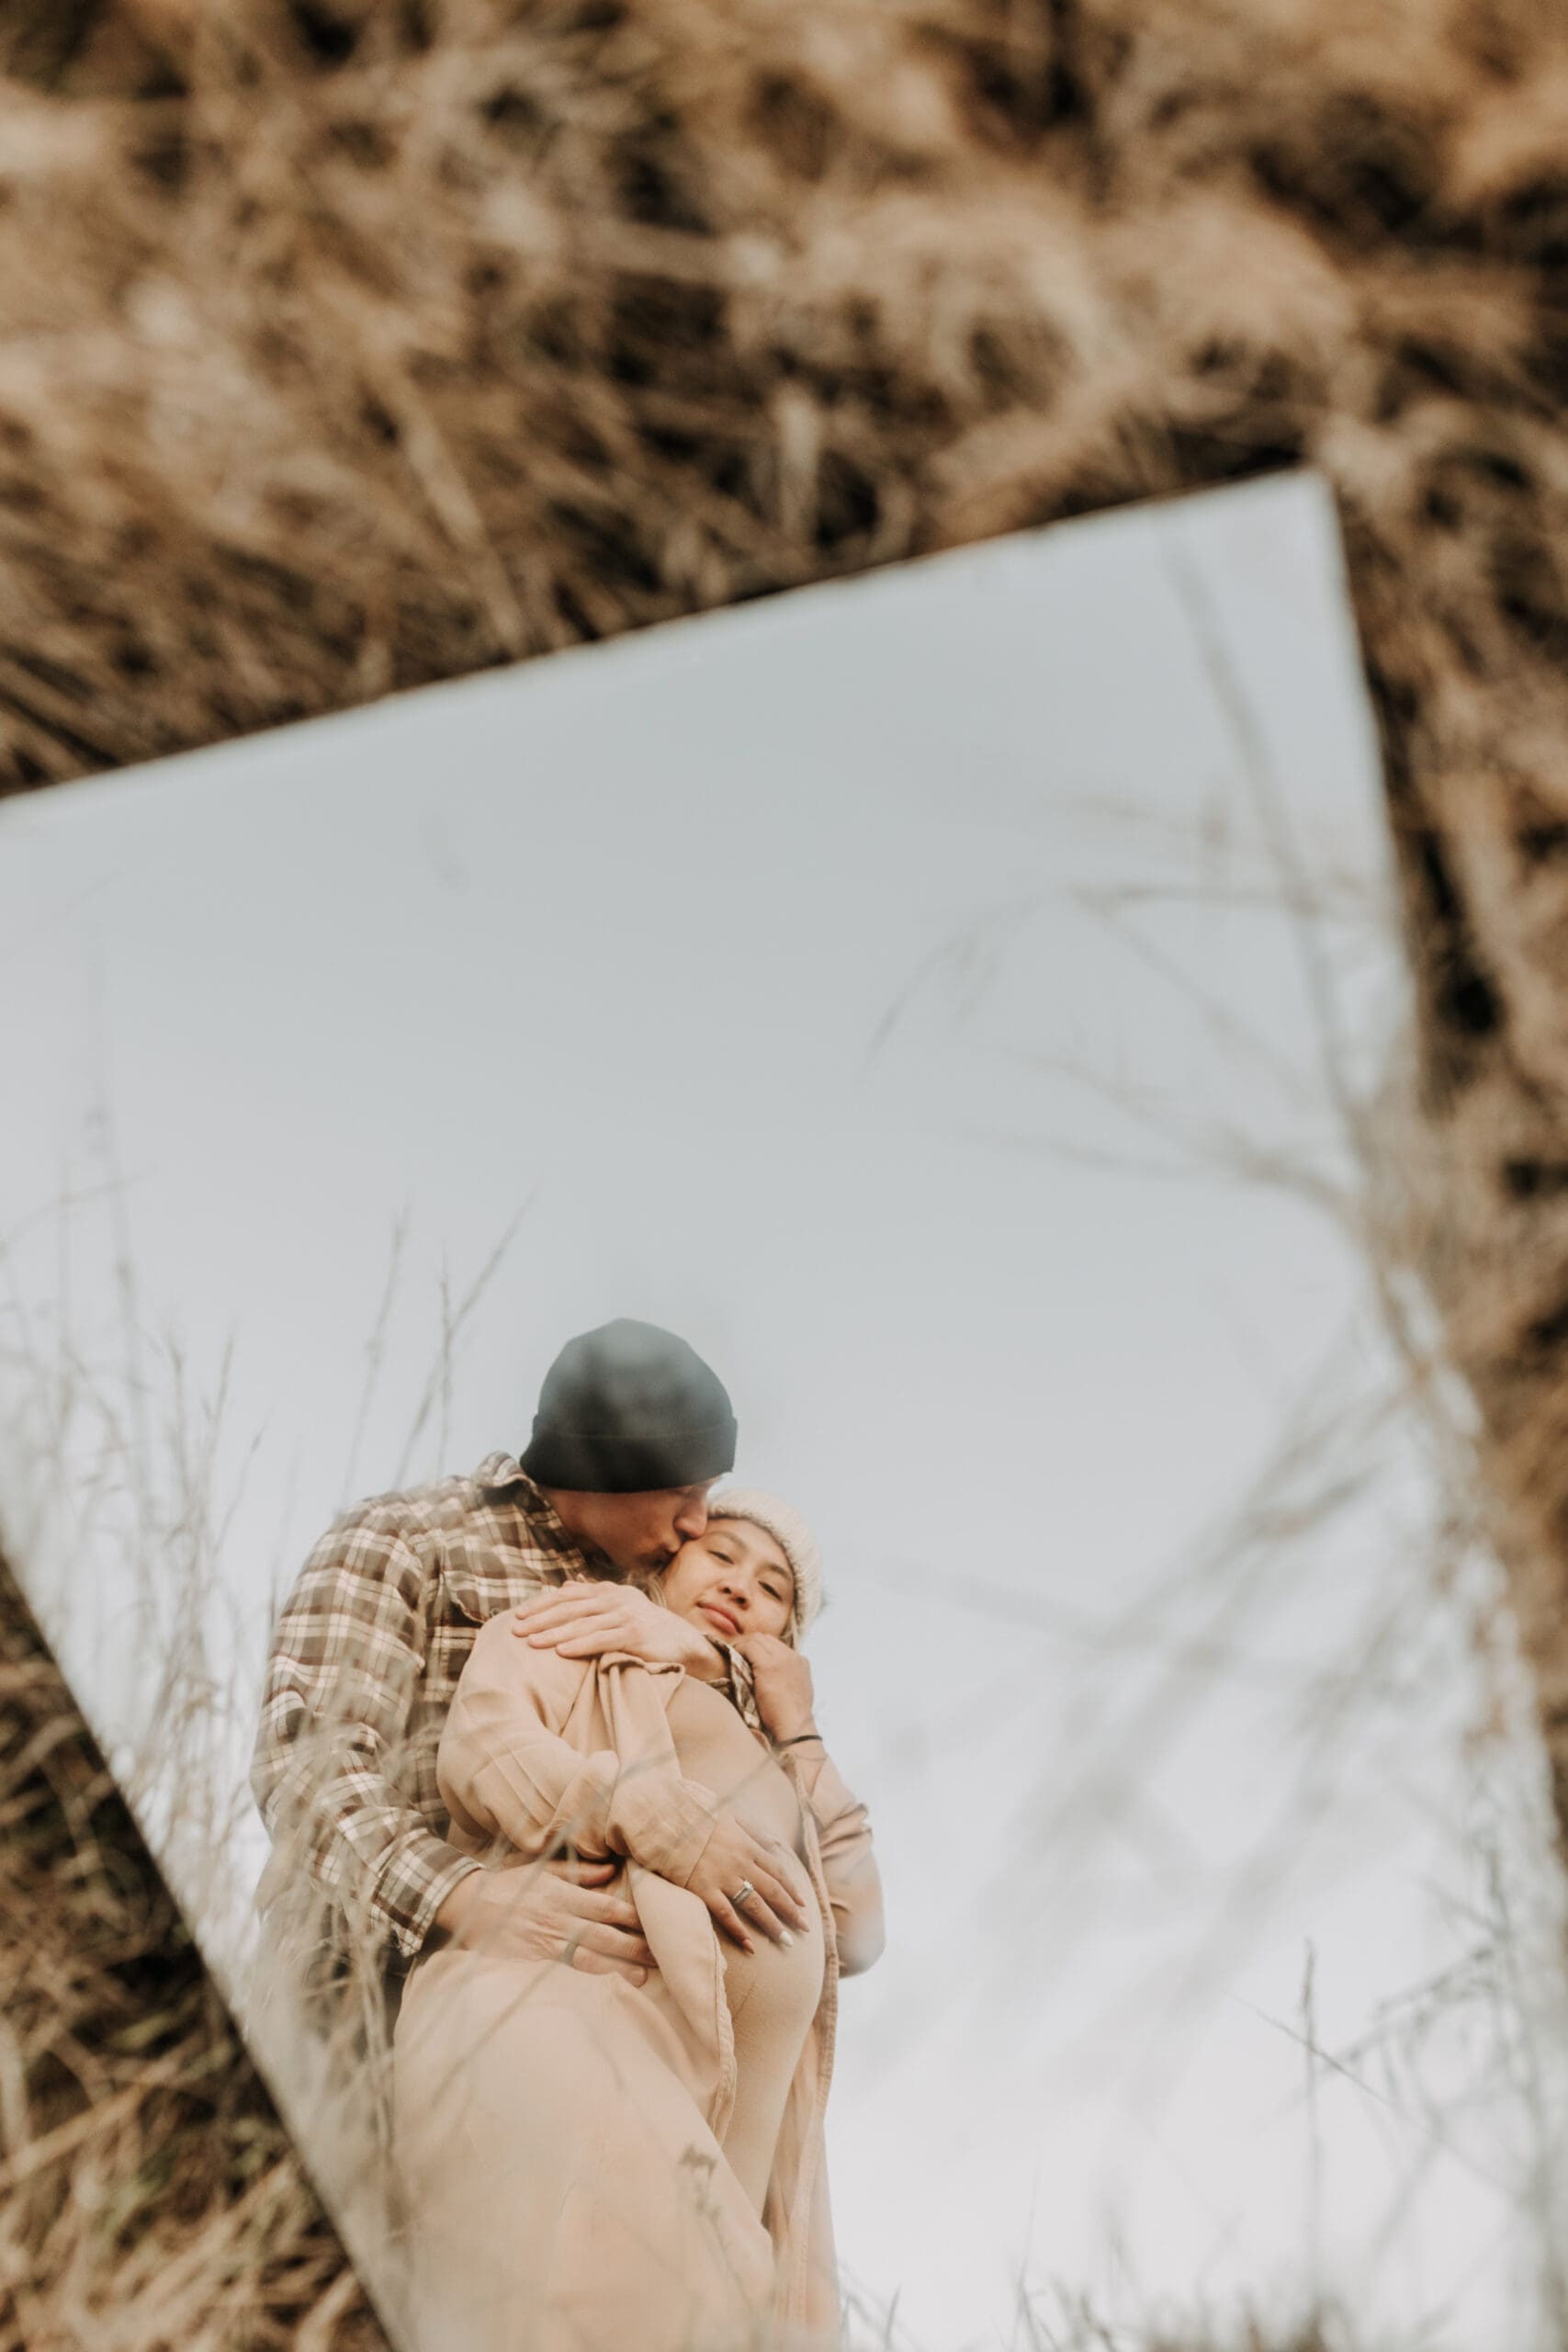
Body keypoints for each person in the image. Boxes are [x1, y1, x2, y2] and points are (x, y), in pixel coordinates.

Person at [392, 1488, 884, 2352]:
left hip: (745, 2151)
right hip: (577, 2021)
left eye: (772, 1589)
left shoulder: (776, 1750)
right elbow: (487, 1752)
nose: (739, 1586)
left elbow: (860, 1923)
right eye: (721, 1556)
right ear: (666, 1560)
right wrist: (648, 1815)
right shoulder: (585, 1634)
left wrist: (798, 1728)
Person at [249, 1319, 771, 2030]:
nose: (697, 1523)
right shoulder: (410, 1535)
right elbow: (307, 1765)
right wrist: (462, 1901)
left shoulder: (665, 1597)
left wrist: (699, 1652)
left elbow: (764, 1766)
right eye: (684, 1491)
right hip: (364, 2003)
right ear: (613, 1466)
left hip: (577, 2043)